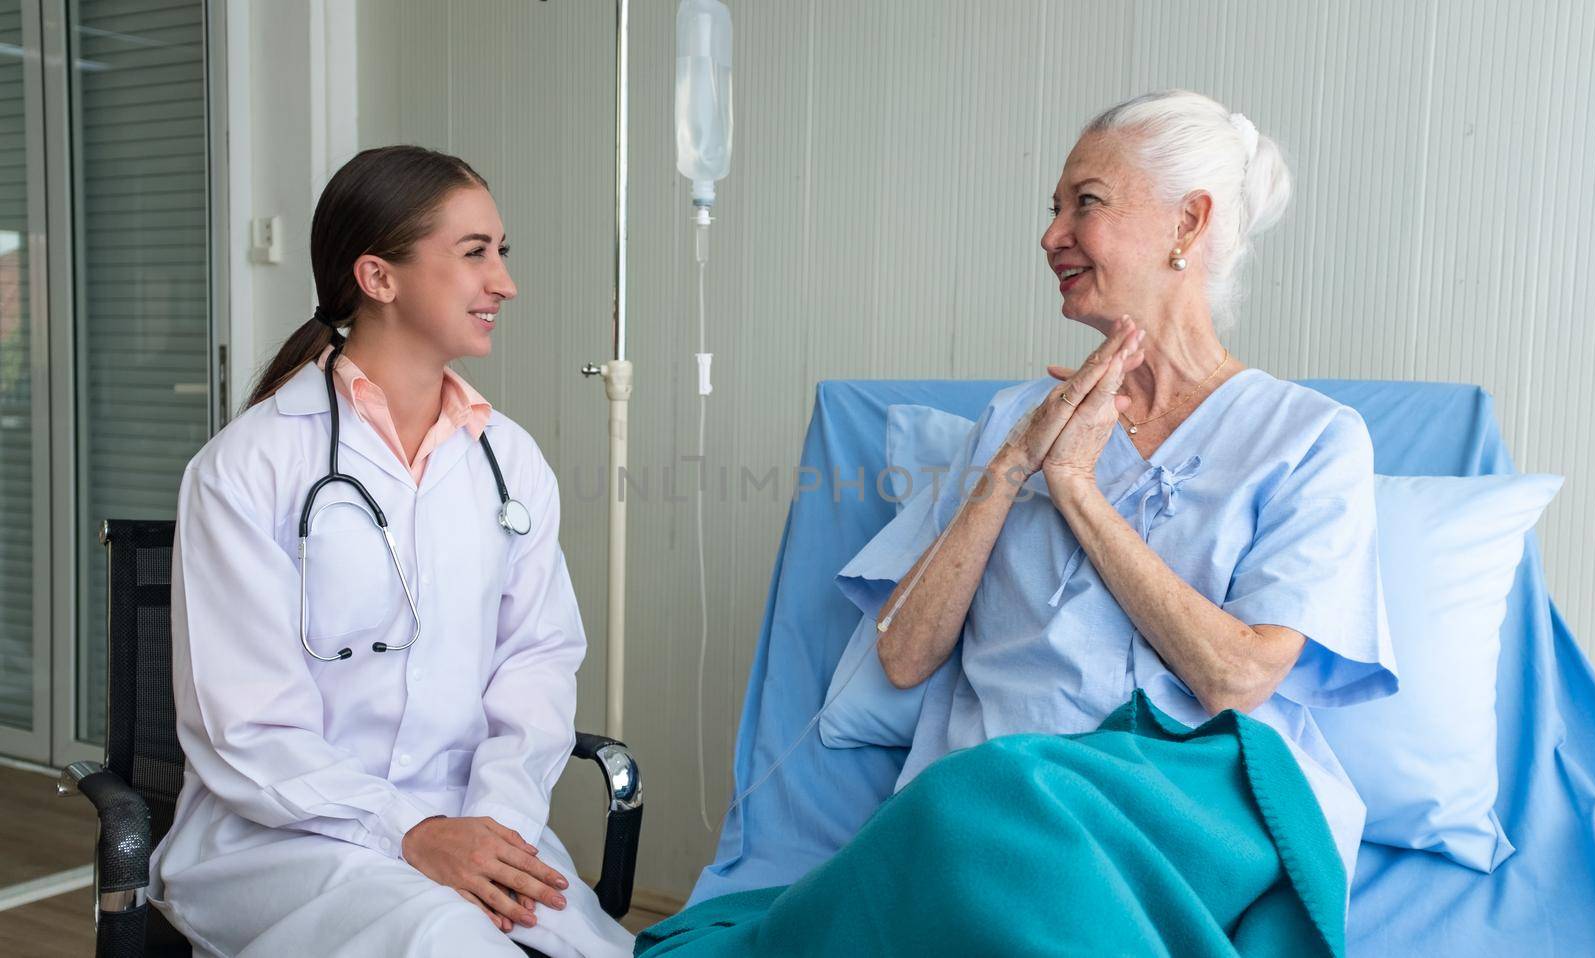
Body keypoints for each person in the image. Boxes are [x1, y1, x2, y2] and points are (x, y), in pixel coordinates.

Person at [640, 90, 1394, 956]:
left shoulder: (1309, 439)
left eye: (1087, 203)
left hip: (1188, 801)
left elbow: (1239, 677)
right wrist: (1009, 470)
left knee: (991, 794)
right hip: (980, 809)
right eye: (1054, 208)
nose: (1051, 236)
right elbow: (904, 651)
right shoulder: (1015, 419)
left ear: (1188, 223)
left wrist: (1074, 486)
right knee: (977, 801)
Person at [149, 145, 635, 958]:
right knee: (444, 937)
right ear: (379, 277)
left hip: (475, 827)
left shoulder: (507, 460)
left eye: (501, 253)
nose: (504, 283)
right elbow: (247, 727)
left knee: (579, 946)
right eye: (475, 253)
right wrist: (413, 830)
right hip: (289, 837)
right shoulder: (246, 469)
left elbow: (538, 662)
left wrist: (497, 826)